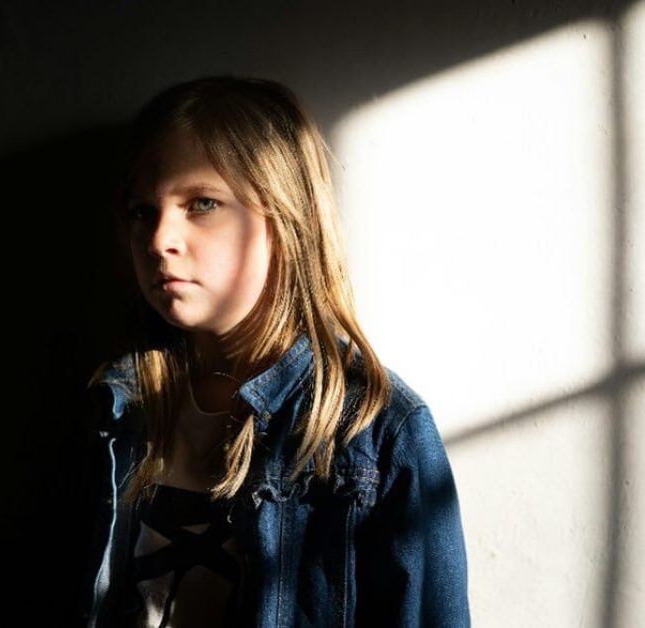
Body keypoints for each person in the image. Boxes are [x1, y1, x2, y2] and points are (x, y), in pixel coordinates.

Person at [75, 75, 470, 628]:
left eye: (202, 204)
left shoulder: (374, 434)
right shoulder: (120, 405)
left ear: (285, 221)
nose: (159, 238)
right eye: (143, 211)